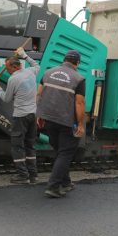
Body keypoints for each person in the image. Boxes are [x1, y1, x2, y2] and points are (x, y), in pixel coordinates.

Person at [37, 50, 85, 198]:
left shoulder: (48, 73)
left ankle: (66, 182)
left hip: (48, 120)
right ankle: (53, 186)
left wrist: (39, 114)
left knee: (60, 152)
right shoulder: (78, 78)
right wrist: (81, 124)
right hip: (65, 121)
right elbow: (79, 102)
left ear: (64, 60)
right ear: (77, 63)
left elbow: (39, 94)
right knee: (65, 153)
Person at [0, 47, 41, 184]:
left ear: (14, 66)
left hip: (20, 117)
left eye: (8, 67)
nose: (7, 70)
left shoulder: (14, 79)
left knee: (17, 146)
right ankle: (33, 175)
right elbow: (37, 65)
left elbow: (6, 99)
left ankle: (22, 175)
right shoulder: (31, 72)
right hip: (32, 114)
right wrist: (24, 55)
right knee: (30, 145)